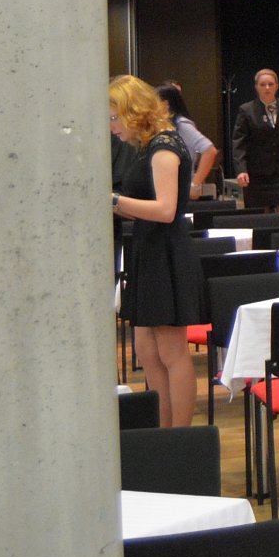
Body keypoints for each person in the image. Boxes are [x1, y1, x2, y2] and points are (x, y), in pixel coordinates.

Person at [110, 75, 198, 428]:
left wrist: (113, 200)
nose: (112, 126)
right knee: (148, 352)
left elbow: (165, 209)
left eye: (114, 117)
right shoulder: (146, 146)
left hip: (166, 253)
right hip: (147, 251)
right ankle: (163, 432)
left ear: (133, 112)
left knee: (172, 353)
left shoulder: (164, 146)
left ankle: (181, 438)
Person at [231, 68, 279, 214]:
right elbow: (239, 143)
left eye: (270, 84)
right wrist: (241, 170)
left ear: (277, 86)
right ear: (256, 87)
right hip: (257, 174)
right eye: (262, 84)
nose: (267, 88)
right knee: (261, 218)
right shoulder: (247, 110)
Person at [156, 82, 219, 195]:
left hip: (180, 191)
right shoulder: (163, 126)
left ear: (165, 104)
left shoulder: (181, 124)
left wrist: (195, 184)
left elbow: (210, 150)